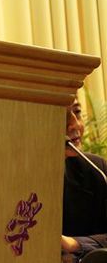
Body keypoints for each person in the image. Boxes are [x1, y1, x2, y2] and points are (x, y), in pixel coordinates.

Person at [61, 97, 107, 262]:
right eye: (63, 115)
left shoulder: (97, 170)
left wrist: (74, 244)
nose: (75, 125)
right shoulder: (14, 176)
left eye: (77, 112)